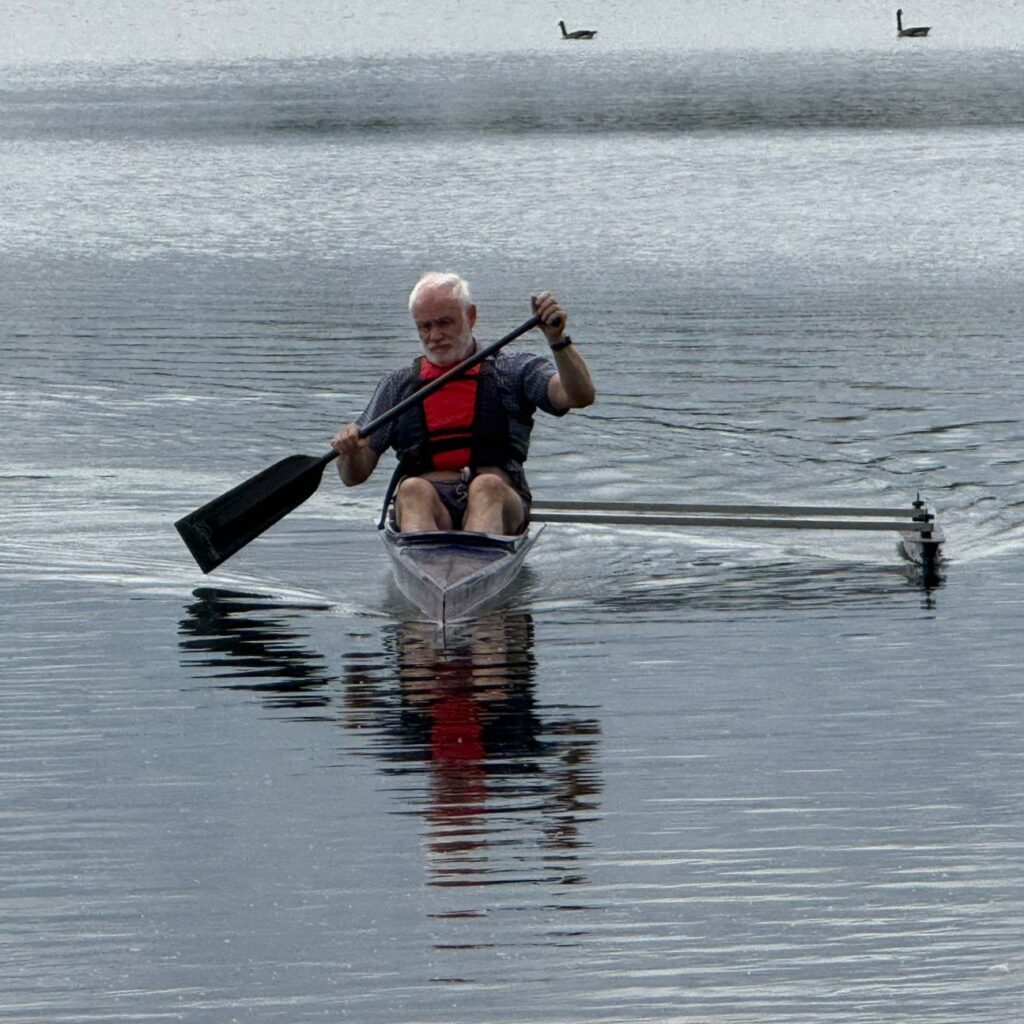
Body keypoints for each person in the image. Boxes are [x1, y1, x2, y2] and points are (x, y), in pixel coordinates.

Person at [330, 272, 596, 534]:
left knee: (486, 486)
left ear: (471, 316)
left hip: (500, 502)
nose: (434, 335)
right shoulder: (398, 385)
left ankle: (475, 562)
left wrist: (557, 340)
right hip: (428, 508)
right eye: (425, 326)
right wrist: (350, 453)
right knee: (412, 489)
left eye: (445, 322)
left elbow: (578, 396)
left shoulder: (514, 370)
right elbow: (353, 476)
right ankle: (426, 564)